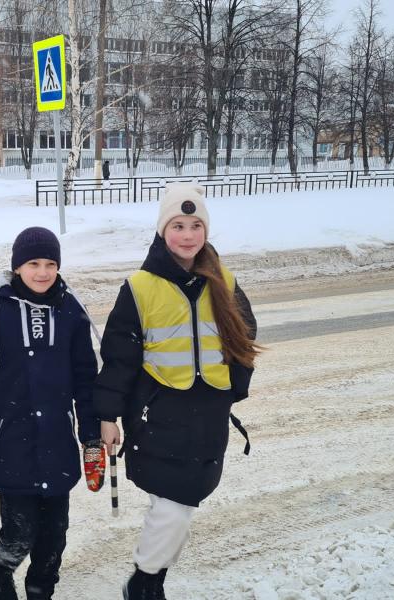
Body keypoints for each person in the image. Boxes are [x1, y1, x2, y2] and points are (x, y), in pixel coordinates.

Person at [94, 183, 261, 600]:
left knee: (184, 506)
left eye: (195, 226)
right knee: (171, 507)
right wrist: (108, 417)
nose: (187, 235)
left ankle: (152, 580)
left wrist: (232, 389)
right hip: (159, 416)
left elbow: (245, 336)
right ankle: (143, 583)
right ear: (162, 230)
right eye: (178, 226)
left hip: (208, 417)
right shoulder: (140, 287)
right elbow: (118, 359)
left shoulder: (224, 280)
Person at [0, 226, 103, 600]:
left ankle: (41, 590)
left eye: (50, 263)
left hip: (58, 441)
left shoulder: (72, 313)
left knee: (54, 538)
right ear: (17, 266)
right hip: (11, 445)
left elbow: (86, 379)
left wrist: (91, 436)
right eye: (33, 263)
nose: (43, 272)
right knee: (19, 533)